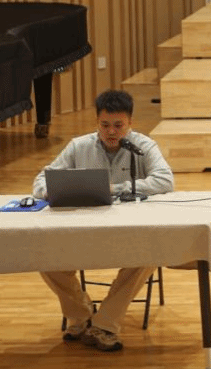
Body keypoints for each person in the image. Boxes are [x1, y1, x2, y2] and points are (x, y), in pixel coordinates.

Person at [31, 89, 175, 351]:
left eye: (118, 126)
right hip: (82, 231)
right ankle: (82, 314)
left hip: (129, 233)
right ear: (97, 122)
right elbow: (41, 181)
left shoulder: (143, 146)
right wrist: (51, 190)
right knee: (43, 255)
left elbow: (165, 180)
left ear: (130, 123)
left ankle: (105, 323)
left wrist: (116, 188)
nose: (111, 132)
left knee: (151, 254)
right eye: (105, 125)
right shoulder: (79, 146)